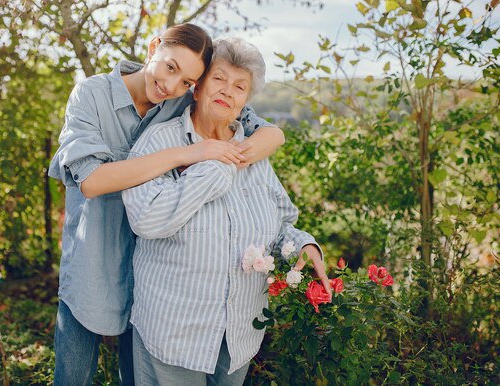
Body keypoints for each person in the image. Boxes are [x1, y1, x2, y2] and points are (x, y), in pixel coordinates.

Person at [48, 24, 286, 385]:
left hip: (154, 270)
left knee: (137, 375)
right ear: (153, 46)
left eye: (188, 81)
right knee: (74, 375)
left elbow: (256, 124)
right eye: (170, 67)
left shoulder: (179, 94)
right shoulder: (92, 94)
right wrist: (190, 153)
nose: (173, 85)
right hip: (97, 256)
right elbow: (93, 182)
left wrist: (270, 137)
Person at [122, 36, 331, 385]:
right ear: (198, 86)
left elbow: (278, 223)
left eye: (239, 86)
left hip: (238, 335)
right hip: (173, 333)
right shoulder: (160, 142)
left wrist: (303, 244)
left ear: (246, 100)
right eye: (219, 79)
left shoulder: (252, 150)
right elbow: (147, 220)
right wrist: (218, 164)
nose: (227, 91)